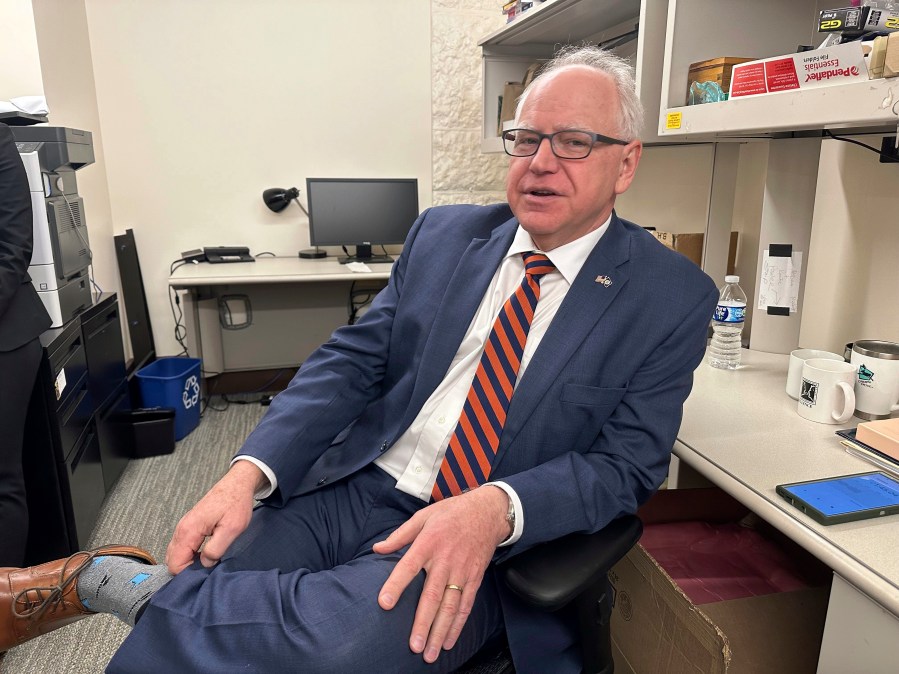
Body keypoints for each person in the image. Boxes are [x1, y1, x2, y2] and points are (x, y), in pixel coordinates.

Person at [0, 46, 718, 672]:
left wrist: (495, 508)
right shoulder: (445, 235)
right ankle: (175, 592)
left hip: (474, 531)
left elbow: (625, 466)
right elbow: (348, 363)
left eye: (573, 143)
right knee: (217, 564)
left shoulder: (668, 295)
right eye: (526, 138)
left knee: (334, 648)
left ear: (625, 164)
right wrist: (244, 476)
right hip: (357, 484)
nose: (539, 162)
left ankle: (115, 583)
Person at [0, 122, 52, 567]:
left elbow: (14, 247)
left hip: (5, 333)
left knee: (1, 479)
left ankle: (2, 619)